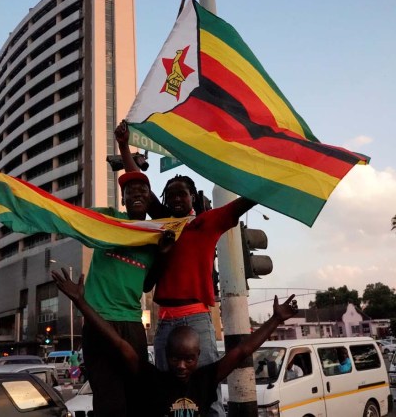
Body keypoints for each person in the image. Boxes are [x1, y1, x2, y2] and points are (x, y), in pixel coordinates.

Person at [116, 120, 256, 417]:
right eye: (172, 194)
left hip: (197, 318)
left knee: (206, 389)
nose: (177, 198)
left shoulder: (207, 223)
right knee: (165, 389)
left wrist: (268, 183)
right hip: (164, 321)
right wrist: (123, 145)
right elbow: (137, 182)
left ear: (193, 198)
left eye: (183, 194)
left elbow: (243, 204)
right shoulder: (165, 224)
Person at [51, 268, 298, 416]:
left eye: (188, 359)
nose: (181, 365)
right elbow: (119, 344)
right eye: (175, 358)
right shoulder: (152, 379)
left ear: (198, 356)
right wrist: (81, 303)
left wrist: (275, 319)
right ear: (165, 355)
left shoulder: (204, 379)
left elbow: (242, 349)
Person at [75, 169, 175, 417]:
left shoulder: (155, 236)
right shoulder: (108, 219)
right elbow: (77, 220)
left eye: (142, 190)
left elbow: (146, 285)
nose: (136, 194)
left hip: (132, 325)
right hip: (99, 321)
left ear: (150, 198)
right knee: (109, 401)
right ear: (123, 199)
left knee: (136, 396)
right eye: (130, 191)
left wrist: (163, 253)